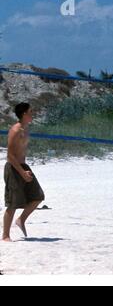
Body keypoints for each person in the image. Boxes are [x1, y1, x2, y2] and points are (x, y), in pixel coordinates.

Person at [3, 103, 45, 241]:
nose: (33, 114)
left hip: (23, 166)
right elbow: (10, 155)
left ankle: (21, 220)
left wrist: (25, 170)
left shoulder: (25, 130)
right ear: (24, 114)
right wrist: (22, 172)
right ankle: (5, 236)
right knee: (12, 204)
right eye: (30, 112)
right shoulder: (15, 130)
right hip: (13, 168)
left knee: (38, 196)